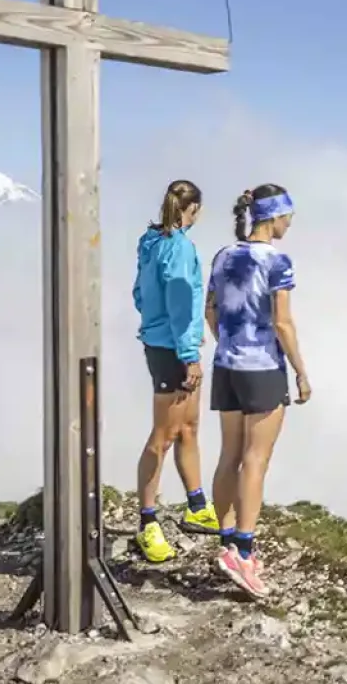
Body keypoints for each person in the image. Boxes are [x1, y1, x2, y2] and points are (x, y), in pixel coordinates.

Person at [205, 183, 312, 597]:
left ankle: (227, 543)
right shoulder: (277, 261)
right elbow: (282, 322)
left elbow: (211, 310)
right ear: (274, 216)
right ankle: (244, 554)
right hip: (263, 368)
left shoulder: (224, 255)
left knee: (229, 455)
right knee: (255, 460)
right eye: (288, 217)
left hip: (226, 366)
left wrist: (227, 343)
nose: (290, 224)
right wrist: (301, 372)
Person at [130, 179, 221, 563]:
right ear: (193, 208)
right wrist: (189, 354)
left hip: (160, 341)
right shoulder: (180, 248)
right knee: (164, 434)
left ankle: (197, 506)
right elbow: (182, 304)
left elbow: (140, 293)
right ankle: (147, 522)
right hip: (173, 349)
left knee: (188, 427)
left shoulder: (151, 242)